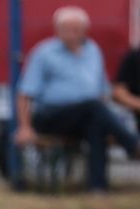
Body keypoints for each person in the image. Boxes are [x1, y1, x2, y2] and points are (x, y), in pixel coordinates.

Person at [14, 6, 136, 194]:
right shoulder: (43, 54)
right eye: (66, 30)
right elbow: (24, 93)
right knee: (92, 107)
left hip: (85, 115)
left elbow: (103, 89)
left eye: (76, 30)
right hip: (51, 116)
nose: (71, 35)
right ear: (57, 30)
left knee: (96, 125)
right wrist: (25, 127)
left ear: (85, 30)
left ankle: (97, 188)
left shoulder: (93, 51)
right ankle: (133, 144)